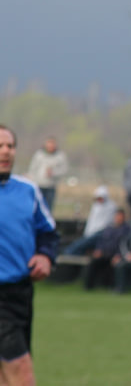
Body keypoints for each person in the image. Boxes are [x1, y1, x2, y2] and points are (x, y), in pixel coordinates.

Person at [0, 124, 59, 386]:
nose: (5, 152)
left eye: (10, 146)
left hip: (20, 293)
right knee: (22, 372)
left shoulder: (28, 190)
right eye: (0, 146)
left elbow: (48, 233)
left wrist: (45, 256)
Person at [83, 208, 131, 290]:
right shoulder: (109, 228)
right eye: (117, 216)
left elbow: (125, 244)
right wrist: (99, 249)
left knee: (115, 265)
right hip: (104, 253)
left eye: (120, 216)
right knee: (93, 262)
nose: (118, 218)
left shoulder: (127, 229)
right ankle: (88, 287)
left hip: (116, 255)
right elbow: (101, 240)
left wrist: (119, 255)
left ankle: (112, 287)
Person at [63, 185, 117, 256]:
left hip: (100, 233)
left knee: (80, 244)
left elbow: (106, 223)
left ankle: (68, 253)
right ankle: (69, 253)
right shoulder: (96, 206)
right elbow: (91, 222)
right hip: (91, 233)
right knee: (80, 243)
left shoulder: (111, 207)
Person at [26, 135, 69, 212]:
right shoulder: (39, 155)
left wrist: (54, 173)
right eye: (49, 144)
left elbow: (64, 170)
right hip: (39, 185)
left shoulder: (60, 156)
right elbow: (32, 169)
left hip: (51, 186)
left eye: (52, 144)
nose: (50, 146)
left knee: (48, 209)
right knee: (36, 207)